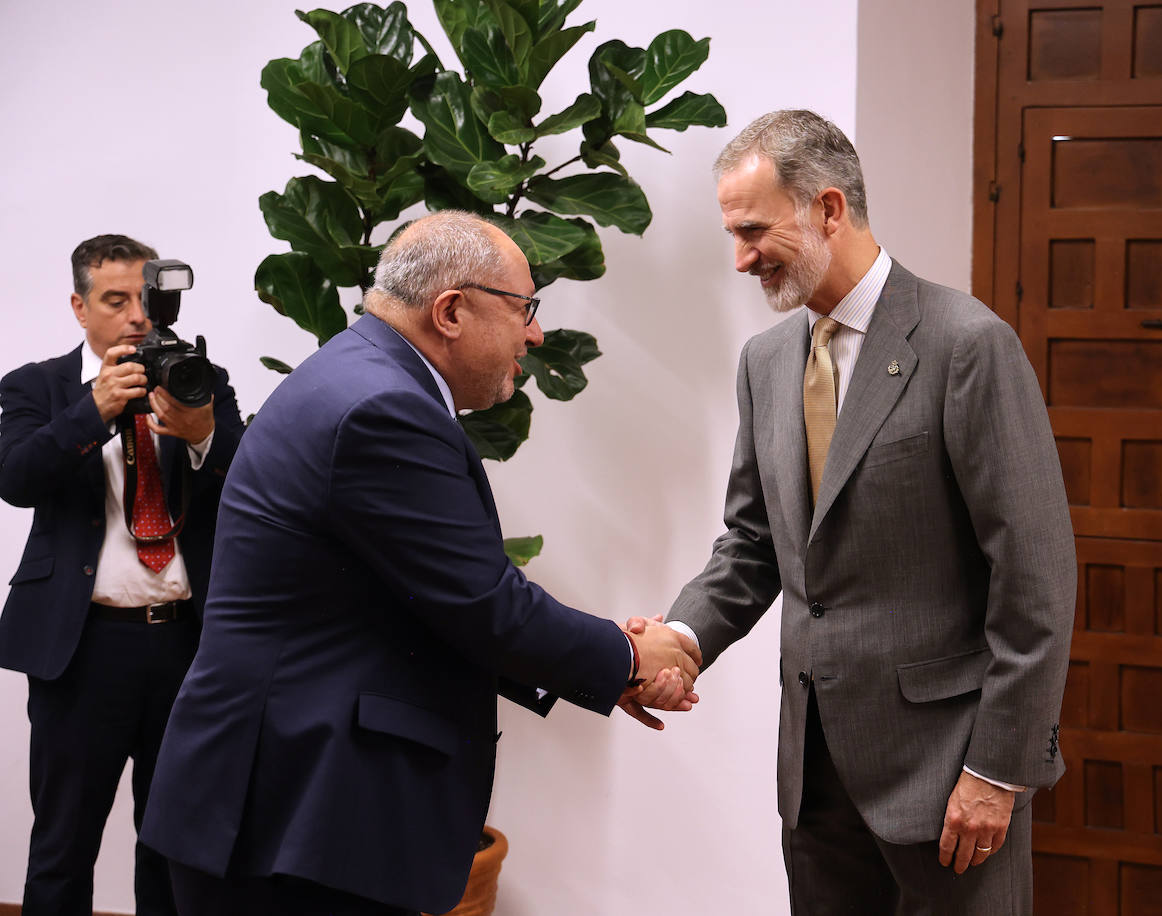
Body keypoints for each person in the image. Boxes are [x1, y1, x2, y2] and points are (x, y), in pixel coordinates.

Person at [139, 210, 701, 916]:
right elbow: (483, 606)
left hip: (284, 807)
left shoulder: (358, 378)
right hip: (294, 820)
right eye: (525, 307)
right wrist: (627, 656)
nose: (536, 333)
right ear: (453, 310)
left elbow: (421, 604)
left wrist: (614, 662)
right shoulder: (383, 407)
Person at [664, 110, 1077, 913]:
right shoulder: (767, 360)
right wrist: (681, 639)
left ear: (828, 208)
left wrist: (999, 771)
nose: (741, 259)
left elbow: (1036, 581)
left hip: (952, 785)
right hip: (815, 787)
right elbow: (755, 545)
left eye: (753, 231)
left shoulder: (968, 344)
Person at [0, 234, 245, 915]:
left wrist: (200, 431)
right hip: (82, 649)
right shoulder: (37, 386)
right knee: (62, 845)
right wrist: (93, 410)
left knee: (174, 844)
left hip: (185, 648)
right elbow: (15, 478)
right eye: (115, 300)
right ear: (79, 307)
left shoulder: (199, 376)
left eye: (146, 298)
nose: (137, 315)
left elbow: (252, 480)